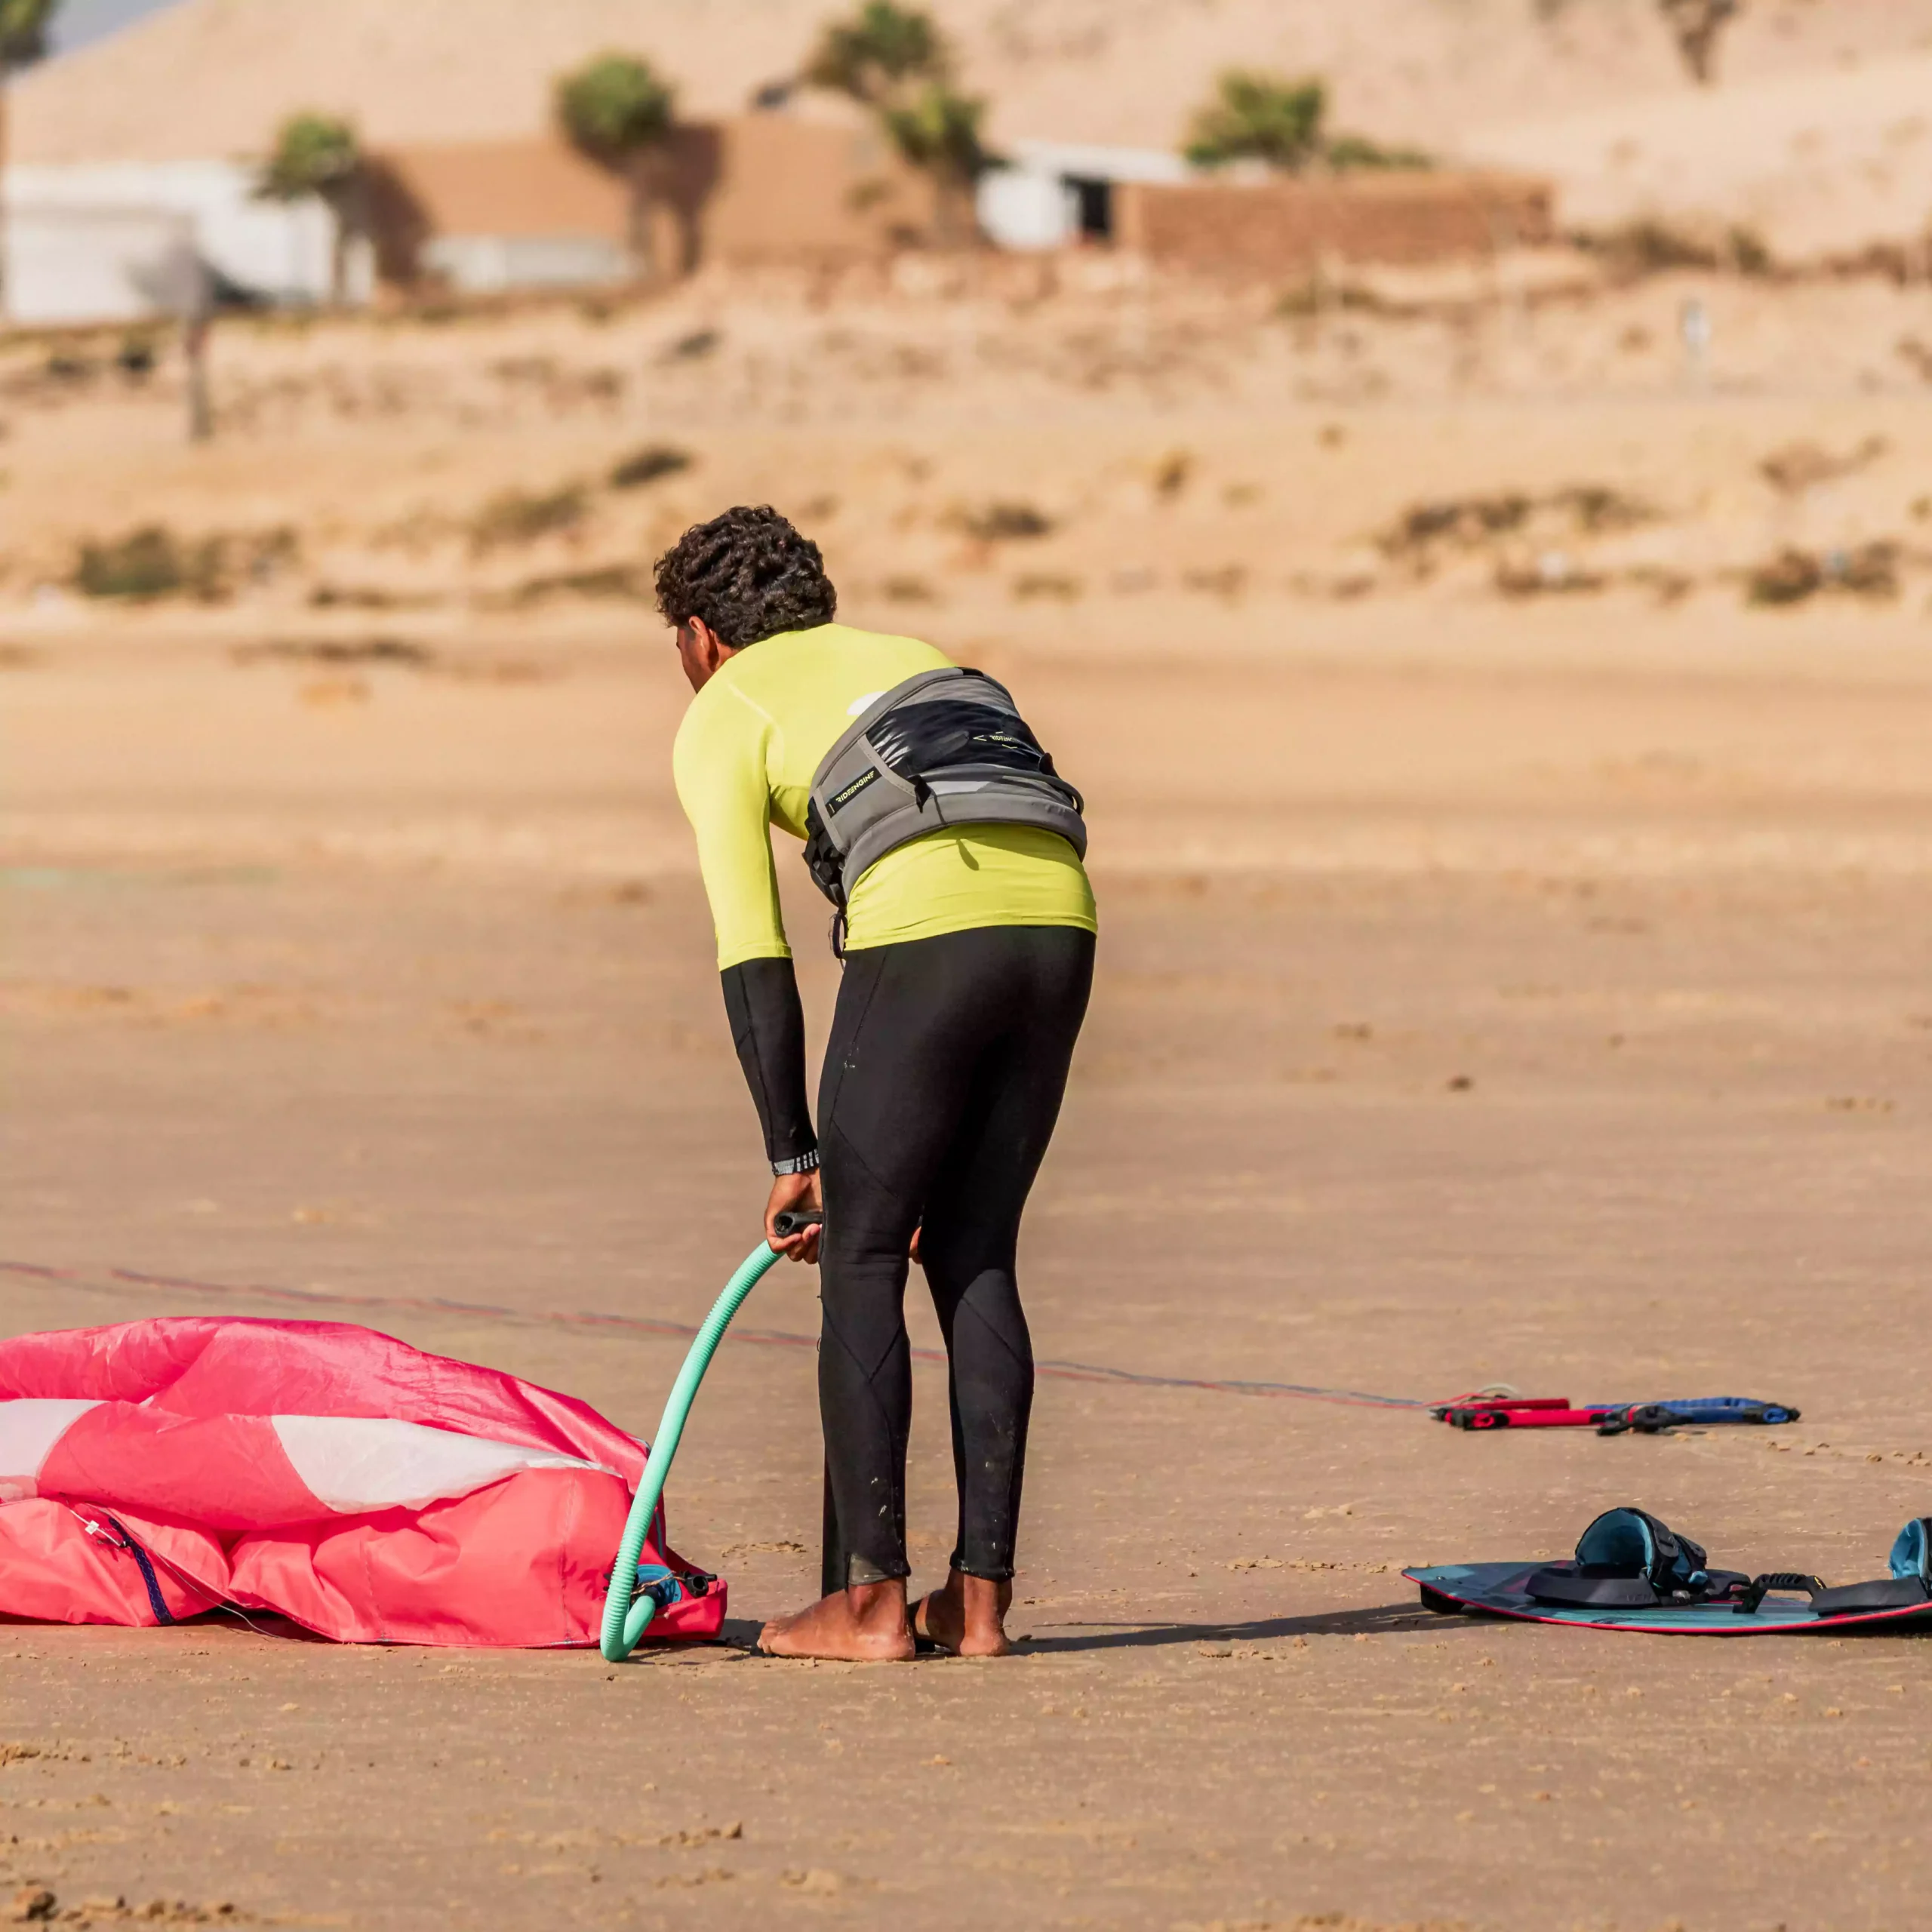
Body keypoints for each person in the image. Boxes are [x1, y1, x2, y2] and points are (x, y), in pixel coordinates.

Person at [660, 505, 1096, 1661]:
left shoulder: (724, 712)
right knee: (976, 1250)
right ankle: (981, 1607)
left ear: (702, 638)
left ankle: (868, 1611)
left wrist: (794, 1157)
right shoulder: (914, 659)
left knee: (859, 1249)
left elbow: (753, 947)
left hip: (930, 917)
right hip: (1059, 913)